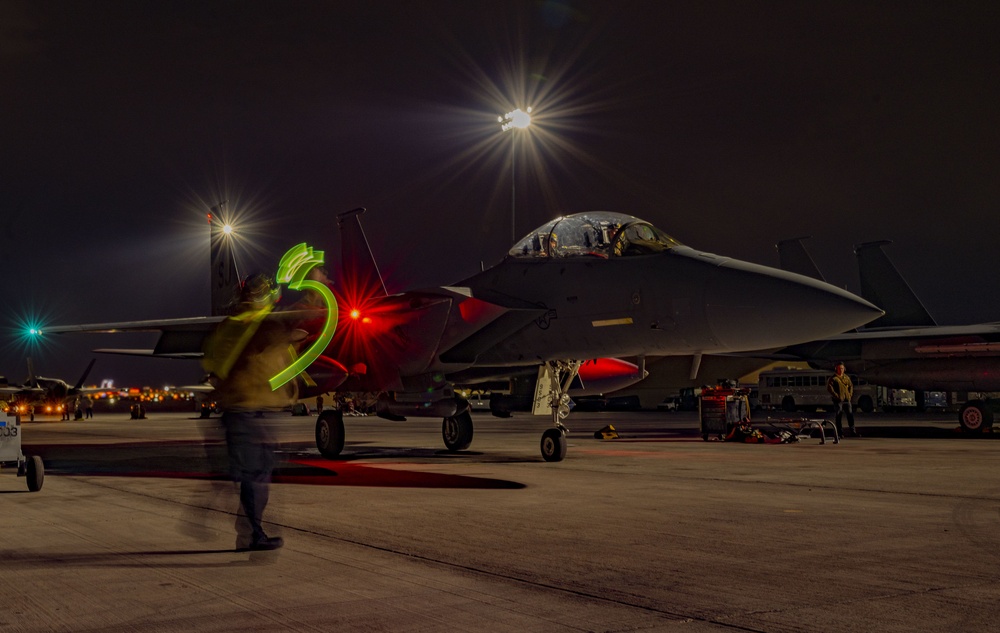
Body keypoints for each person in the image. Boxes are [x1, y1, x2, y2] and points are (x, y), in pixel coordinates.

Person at [202, 273, 303, 552]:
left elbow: (211, 362)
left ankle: (248, 533)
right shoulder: (257, 326)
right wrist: (316, 292)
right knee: (254, 475)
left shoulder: (230, 326)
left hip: (249, 410)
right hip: (247, 411)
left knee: (256, 474)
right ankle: (251, 535)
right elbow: (294, 321)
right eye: (270, 292)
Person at [827, 362, 860, 437]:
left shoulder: (846, 377)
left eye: (842, 368)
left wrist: (850, 395)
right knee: (839, 416)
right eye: (839, 368)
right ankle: (840, 433)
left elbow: (851, 386)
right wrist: (837, 396)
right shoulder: (834, 378)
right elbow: (829, 388)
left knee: (850, 416)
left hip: (847, 400)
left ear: (844, 369)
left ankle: (853, 432)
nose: (841, 370)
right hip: (838, 401)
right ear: (836, 369)